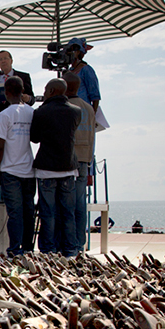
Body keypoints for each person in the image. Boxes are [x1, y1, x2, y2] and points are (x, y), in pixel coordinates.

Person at [29, 79, 80, 256]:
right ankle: (70, 248)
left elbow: (34, 138)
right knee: (68, 212)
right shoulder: (76, 112)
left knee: (48, 212)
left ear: (51, 90)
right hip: (68, 167)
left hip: (46, 168)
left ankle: (48, 249)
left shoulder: (41, 112)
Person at [0, 77, 37, 256]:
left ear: (6, 92)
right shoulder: (31, 112)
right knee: (28, 211)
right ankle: (28, 248)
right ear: (22, 91)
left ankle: (14, 249)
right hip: (29, 169)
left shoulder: (4, 115)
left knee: (15, 212)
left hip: (10, 170)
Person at [63, 72, 97, 251]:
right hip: (85, 159)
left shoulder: (66, 106)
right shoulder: (88, 108)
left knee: (67, 203)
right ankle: (79, 243)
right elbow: (92, 136)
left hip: (68, 159)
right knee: (80, 203)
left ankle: (69, 243)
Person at [66, 38, 100, 112]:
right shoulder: (68, 71)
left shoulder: (86, 70)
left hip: (84, 112)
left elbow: (95, 96)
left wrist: (92, 115)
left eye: (74, 50)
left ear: (79, 52)